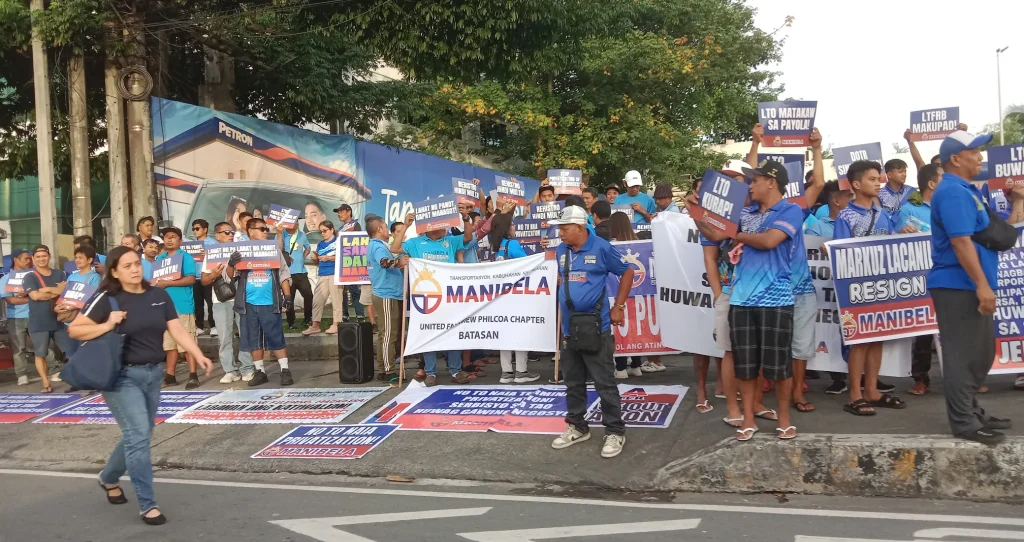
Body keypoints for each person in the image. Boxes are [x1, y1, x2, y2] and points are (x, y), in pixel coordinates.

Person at [71, 246, 213, 526]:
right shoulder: (107, 298)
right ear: (114, 271)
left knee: (139, 434)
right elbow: (75, 329)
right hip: (120, 377)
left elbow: (176, 328)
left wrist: (197, 353)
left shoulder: (158, 295)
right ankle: (148, 505)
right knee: (138, 436)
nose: (135, 269)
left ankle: (108, 477)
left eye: (137, 264)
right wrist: (108, 324)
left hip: (153, 374)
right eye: (127, 266)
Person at [698, 160, 804, 441]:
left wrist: (732, 234)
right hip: (742, 299)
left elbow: (770, 241)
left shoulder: (791, 210)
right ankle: (747, 419)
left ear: (772, 181)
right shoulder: (744, 214)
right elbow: (716, 235)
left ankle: (784, 420)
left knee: (780, 366)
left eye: (755, 180)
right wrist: (696, 214)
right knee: (745, 365)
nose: (750, 185)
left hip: (777, 298)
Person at [930, 130, 1012, 445]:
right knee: (962, 357)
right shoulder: (952, 191)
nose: (980, 157)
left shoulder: (964, 189)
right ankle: (964, 422)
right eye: (975, 152)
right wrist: (982, 285)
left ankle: (973, 412)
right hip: (957, 286)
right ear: (956, 158)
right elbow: (960, 241)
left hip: (968, 286)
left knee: (979, 355)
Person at [548, 205, 633, 458]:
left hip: (598, 327)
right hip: (569, 328)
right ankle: (577, 426)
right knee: (573, 382)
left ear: (580, 227)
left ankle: (615, 431)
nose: (560, 233)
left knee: (604, 383)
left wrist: (618, 306)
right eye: (559, 228)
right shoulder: (561, 250)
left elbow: (627, 272)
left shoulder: (601, 247)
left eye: (564, 228)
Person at [833, 160, 904, 416]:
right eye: (873, 179)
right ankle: (854, 394)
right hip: (856, 288)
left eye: (879, 179)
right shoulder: (846, 215)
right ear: (856, 184)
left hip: (881, 286)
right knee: (859, 341)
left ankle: (872, 390)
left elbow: (892, 241)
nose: (878, 183)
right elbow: (840, 250)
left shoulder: (883, 213)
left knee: (877, 338)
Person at [393, 211, 476, 386]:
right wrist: (406, 226)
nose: (444, 227)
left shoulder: (451, 241)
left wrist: (466, 218)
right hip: (426, 299)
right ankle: (431, 372)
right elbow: (394, 249)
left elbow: (468, 237)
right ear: (429, 226)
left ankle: (456, 370)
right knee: (428, 334)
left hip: (450, 297)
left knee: (453, 332)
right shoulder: (416, 243)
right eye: (440, 224)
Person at [699, 163, 744, 425]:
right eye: (726, 179)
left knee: (753, 351)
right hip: (728, 292)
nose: (731, 185)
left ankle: (752, 403)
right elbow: (710, 258)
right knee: (729, 350)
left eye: (736, 179)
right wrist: (718, 294)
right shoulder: (713, 216)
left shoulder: (757, 211)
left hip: (757, 293)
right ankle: (732, 407)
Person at [228, 217, 293, 387]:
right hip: (248, 303)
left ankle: (285, 370)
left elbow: (283, 274)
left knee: (276, 336)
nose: (266, 231)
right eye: (262, 229)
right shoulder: (240, 251)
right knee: (253, 339)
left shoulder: (273, 249)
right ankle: (260, 371)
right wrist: (230, 263)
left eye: (266, 229)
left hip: (270, 301)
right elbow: (230, 275)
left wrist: (288, 297)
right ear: (250, 231)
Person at [897, 164, 942, 396]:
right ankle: (921, 378)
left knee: (955, 330)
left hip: (949, 275)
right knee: (924, 330)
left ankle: (965, 380)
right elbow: (893, 243)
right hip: (920, 279)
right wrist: (900, 233)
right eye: (943, 177)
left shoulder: (952, 208)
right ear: (931, 184)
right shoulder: (908, 211)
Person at [487, 212, 541, 384]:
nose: (514, 227)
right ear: (506, 228)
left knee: (505, 334)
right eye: (512, 225)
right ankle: (521, 371)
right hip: (516, 295)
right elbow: (529, 265)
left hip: (500, 296)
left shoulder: (495, 246)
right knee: (520, 331)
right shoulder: (513, 244)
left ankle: (506, 372)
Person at [201, 222, 256, 383]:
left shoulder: (240, 251)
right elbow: (204, 280)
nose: (230, 234)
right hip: (220, 300)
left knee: (244, 334)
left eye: (232, 232)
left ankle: (247, 367)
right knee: (224, 336)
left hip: (241, 297)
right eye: (226, 232)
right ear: (217, 236)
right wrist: (214, 274)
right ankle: (230, 370)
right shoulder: (211, 255)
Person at [154, 227, 201, 389]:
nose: (169, 240)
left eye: (173, 237)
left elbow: (191, 280)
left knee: (187, 343)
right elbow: (156, 281)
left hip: (183, 306)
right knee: (170, 345)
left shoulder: (185, 257)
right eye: (166, 237)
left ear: (180, 241)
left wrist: (167, 283)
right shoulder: (160, 258)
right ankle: (170, 375)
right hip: (165, 307)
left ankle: (193, 375)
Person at [24, 245, 71, 392]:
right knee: (40, 353)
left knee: (70, 351)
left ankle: (77, 378)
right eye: (38, 257)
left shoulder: (60, 274)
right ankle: (46, 383)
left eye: (44, 256)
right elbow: (35, 296)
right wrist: (55, 291)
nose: (41, 259)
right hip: (39, 321)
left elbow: (65, 293)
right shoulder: (30, 277)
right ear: (33, 259)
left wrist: (46, 290)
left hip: (60, 320)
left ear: (49, 256)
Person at [367, 215, 405, 382]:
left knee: (385, 333)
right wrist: (400, 262)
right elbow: (384, 263)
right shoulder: (378, 247)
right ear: (379, 229)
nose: (387, 230)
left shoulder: (377, 245)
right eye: (384, 226)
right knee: (390, 334)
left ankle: (383, 368)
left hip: (385, 293)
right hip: (386, 294)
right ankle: (390, 371)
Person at [0, 249, 34, 385]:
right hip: (15, 317)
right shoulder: (5, 279)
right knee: (18, 348)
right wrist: (32, 298)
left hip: (35, 315)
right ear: (16, 260)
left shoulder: (34, 276)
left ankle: (53, 369)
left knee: (44, 344)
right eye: (25, 258)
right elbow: (10, 300)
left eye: (29, 259)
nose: (29, 261)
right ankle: (22, 374)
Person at [306, 220, 343, 335]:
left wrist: (329, 258)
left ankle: (336, 324)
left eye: (325, 231)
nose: (323, 233)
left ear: (332, 229)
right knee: (317, 300)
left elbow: (344, 258)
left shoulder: (339, 242)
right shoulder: (321, 244)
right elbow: (318, 260)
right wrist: (315, 258)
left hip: (335, 274)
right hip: (322, 274)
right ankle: (315, 325)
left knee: (337, 301)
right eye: (321, 231)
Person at [278, 221, 313, 331]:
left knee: (309, 295)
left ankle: (308, 318)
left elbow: (308, 247)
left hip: (302, 273)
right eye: (293, 222)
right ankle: (291, 322)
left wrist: (304, 255)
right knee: (289, 299)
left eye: (297, 221)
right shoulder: (282, 234)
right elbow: (278, 249)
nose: (296, 223)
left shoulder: (302, 235)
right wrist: (279, 233)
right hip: (287, 274)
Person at [333, 203, 365, 319]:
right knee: (342, 291)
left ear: (349, 212)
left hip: (353, 263)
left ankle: (360, 315)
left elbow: (359, 243)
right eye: (338, 212)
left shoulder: (355, 225)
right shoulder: (340, 229)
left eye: (341, 212)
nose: (339, 214)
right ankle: (345, 315)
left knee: (355, 290)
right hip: (341, 263)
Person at [189, 219, 215, 335]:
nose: (195, 231)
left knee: (211, 303)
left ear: (205, 230)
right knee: (197, 303)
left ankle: (213, 325)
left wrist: (209, 255)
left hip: (209, 276)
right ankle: (199, 326)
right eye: (193, 229)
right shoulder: (190, 244)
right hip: (195, 277)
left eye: (197, 228)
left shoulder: (213, 243)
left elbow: (218, 259)